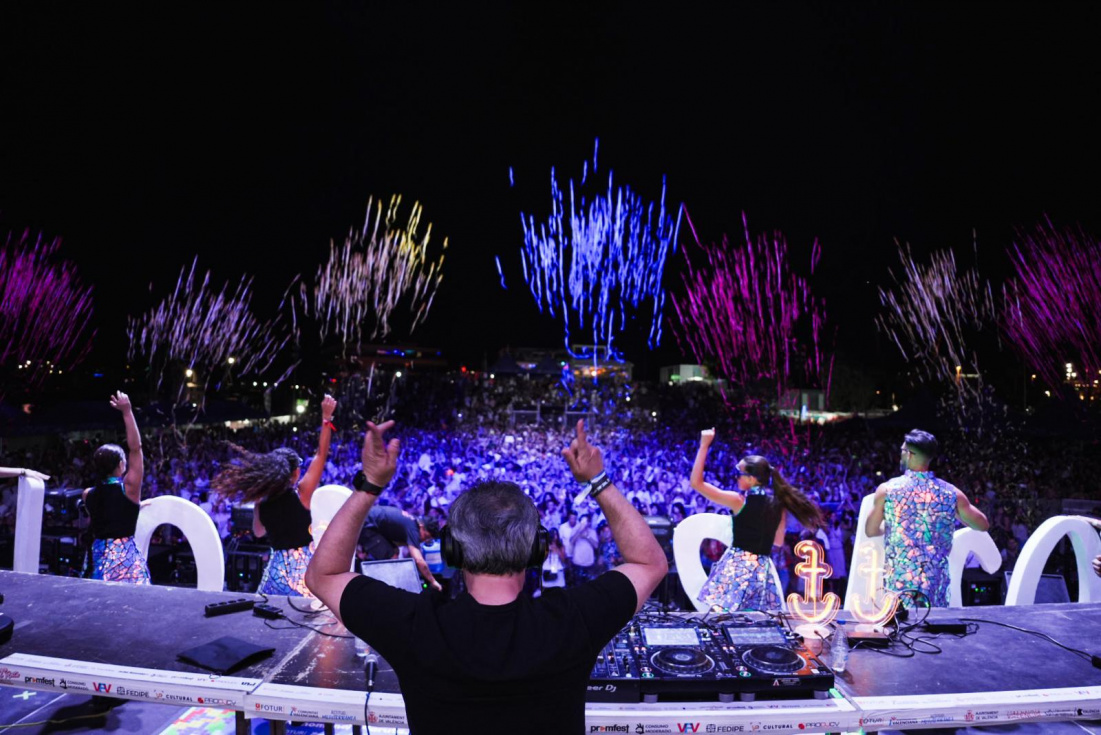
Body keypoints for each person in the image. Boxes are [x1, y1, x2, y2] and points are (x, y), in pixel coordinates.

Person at [305, 419, 667, 735]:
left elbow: (324, 575)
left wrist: (369, 484)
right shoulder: (572, 621)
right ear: (536, 551)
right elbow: (649, 563)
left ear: (453, 552)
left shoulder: (416, 625)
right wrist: (599, 481)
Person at [212, 395, 337, 596]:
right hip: (303, 573)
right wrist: (326, 418)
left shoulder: (263, 502)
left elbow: (259, 533)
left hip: (277, 572)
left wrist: (258, 505)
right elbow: (321, 454)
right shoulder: (301, 494)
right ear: (295, 473)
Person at [690, 428, 823, 612]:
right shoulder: (778, 504)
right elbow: (777, 542)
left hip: (737, 566)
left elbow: (696, 483)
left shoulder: (738, 501)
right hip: (762, 569)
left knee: (724, 621)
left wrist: (704, 446)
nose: (736, 477)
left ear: (751, 479)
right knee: (755, 625)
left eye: (739, 473)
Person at [865, 428, 989, 607]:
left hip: (899, 584)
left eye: (902, 451)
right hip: (935, 585)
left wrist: (895, 527)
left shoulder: (887, 490)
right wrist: (951, 514)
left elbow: (870, 530)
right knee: (935, 632)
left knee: (899, 631)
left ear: (909, 454)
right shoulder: (950, 493)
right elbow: (982, 524)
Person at [82, 391, 149, 584]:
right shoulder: (129, 488)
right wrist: (127, 411)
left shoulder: (88, 494)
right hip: (124, 563)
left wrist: (139, 505)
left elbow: (111, 513)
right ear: (121, 464)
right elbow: (136, 448)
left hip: (97, 560)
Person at [359, 505, 443, 591]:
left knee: (395, 552)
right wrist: (433, 581)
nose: (424, 540)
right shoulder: (413, 529)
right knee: (391, 558)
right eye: (426, 536)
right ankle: (382, 591)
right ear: (422, 526)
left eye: (428, 539)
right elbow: (419, 560)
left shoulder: (411, 522)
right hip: (365, 524)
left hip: (370, 522)